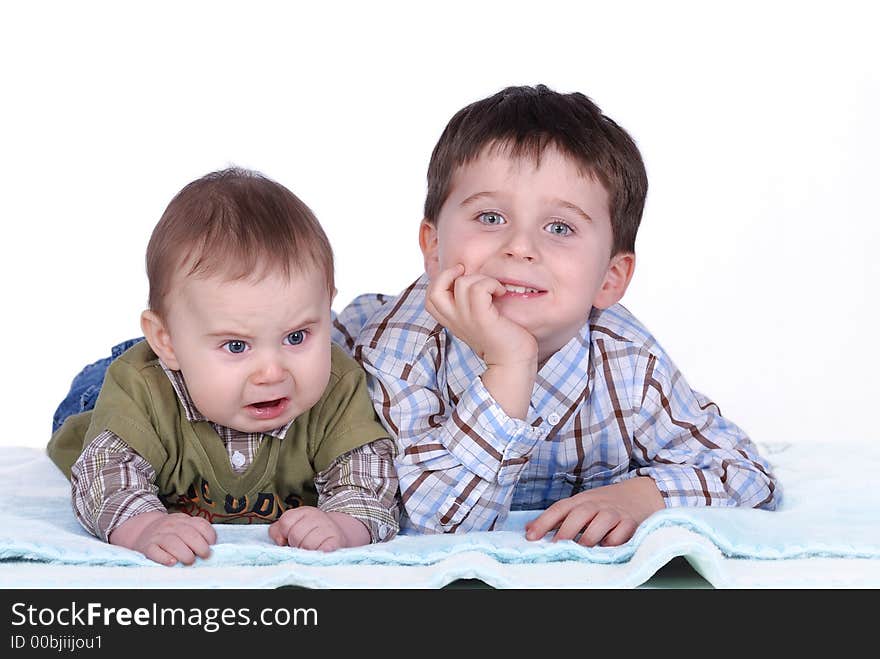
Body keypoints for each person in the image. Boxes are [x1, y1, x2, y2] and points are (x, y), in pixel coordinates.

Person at [332, 84, 780, 546]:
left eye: (560, 227)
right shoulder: (400, 351)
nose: (520, 247)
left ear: (610, 277)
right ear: (433, 247)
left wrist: (640, 497)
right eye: (489, 217)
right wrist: (510, 365)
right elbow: (438, 521)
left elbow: (746, 473)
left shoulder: (627, 365)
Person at [48, 168, 399, 566]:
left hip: (190, 357)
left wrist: (342, 524)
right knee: (90, 406)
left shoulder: (337, 385)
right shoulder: (139, 389)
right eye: (236, 346)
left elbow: (369, 481)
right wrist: (143, 526)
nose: (272, 372)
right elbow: (104, 474)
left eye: (297, 337)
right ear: (166, 341)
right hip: (101, 398)